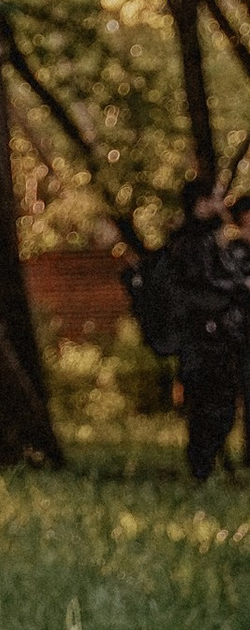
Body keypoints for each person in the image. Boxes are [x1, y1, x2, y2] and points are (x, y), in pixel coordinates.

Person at [131, 185, 250, 482]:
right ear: (200, 204)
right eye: (212, 198)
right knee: (209, 409)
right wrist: (238, 289)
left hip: (215, 342)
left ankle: (209, 465)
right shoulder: (191, 243)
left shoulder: (207, 241)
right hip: (203, 343)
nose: (219, 204)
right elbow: (201, 289)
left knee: (218, 409)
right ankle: (203, 467)